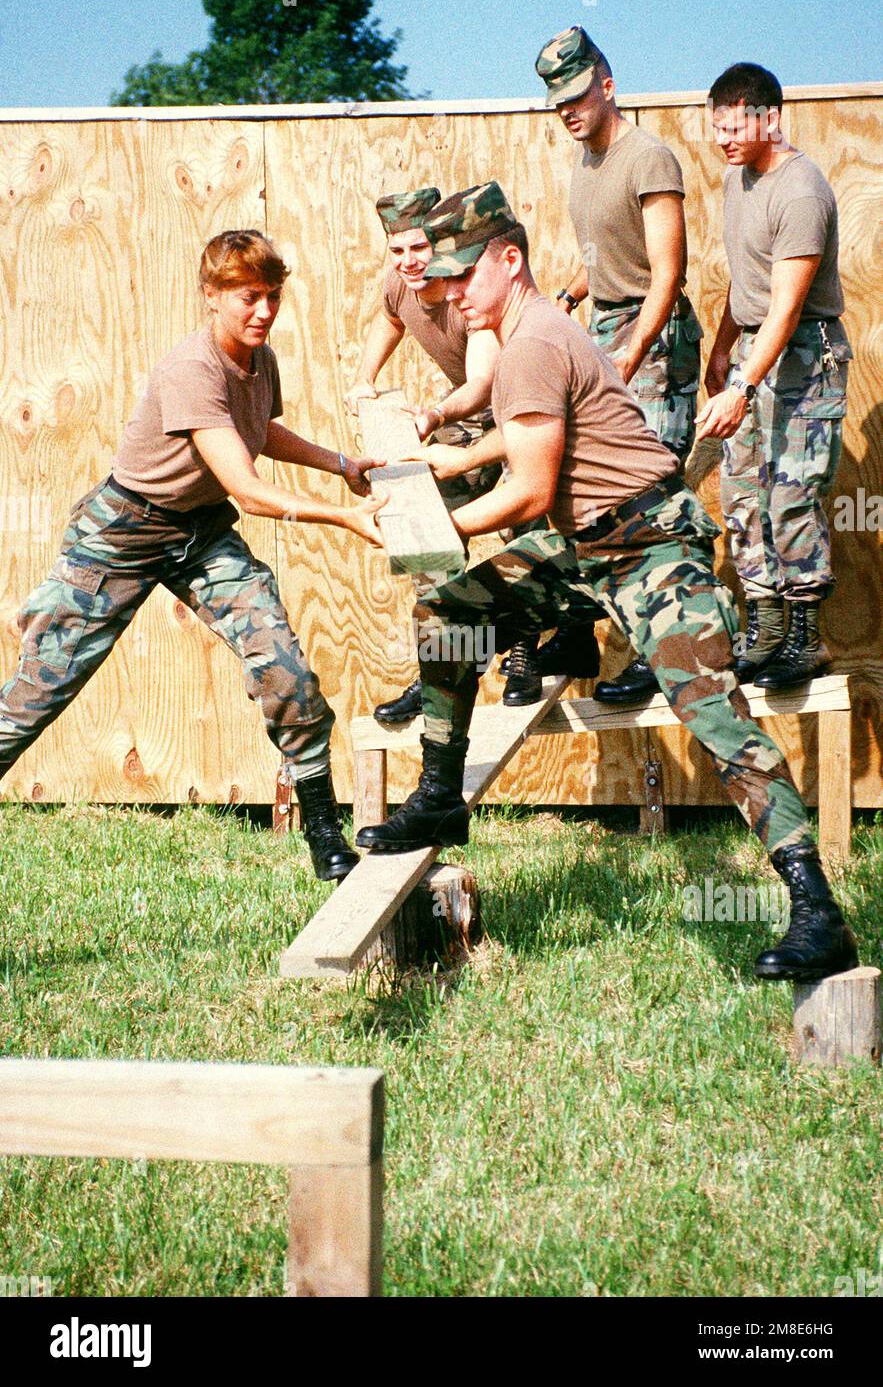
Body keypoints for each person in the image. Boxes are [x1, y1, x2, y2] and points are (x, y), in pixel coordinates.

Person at [356, 182, 857, 985]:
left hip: (651, 550)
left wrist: (426, 528)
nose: (448, 293)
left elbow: (525, 490)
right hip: (584, 548)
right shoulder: (534, 330)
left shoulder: (530, 341)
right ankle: (441, 795)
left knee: (714, 718)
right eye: (440, 278)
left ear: (508, 260)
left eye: (461, 275)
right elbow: (536, 444)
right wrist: (450, 465)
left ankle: (816, 912)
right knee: (448, 607)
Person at [0, 229, 385, 882]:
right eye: (246, 298)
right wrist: (344, 517)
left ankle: (324, 831)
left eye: (271, 296)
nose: (262, 311)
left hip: (199, 532)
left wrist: (340, 464)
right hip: (122, 535)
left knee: (285, 671)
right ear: (211, 297)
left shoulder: (259, 359)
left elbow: (257, 428)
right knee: (35, 696)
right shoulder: (190, 370)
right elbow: (248, 489)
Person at [344, 188, 586, 717]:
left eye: (419, 249)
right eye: (397, 251)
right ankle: (445, 670)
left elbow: (481, 382)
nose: (409, 262)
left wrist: (433, 416)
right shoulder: (399, 286)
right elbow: (390, 318)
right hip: (465, 423)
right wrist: (365, 378)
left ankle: (521, 654)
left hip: (514, 412)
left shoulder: (467, 289)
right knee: (429, 536)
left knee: (523, 526)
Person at [534, 25, 704, 706]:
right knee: (583, 486)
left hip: (651, 338)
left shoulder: (647, 158)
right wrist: (571, 293)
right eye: (558, 104)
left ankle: (654, 654)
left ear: (607, 85)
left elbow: (667, 272)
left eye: (577, 96)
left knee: (648, 496)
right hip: (602, 332)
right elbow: (604, 252)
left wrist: (634, 348)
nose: (569, 112)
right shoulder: (585, 162)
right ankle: (579, 628)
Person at [697, 63, 851, 688]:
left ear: (770, 119)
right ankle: (764, 627)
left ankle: (805, 635)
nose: (723, 140)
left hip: (805, 360)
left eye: (734, 128)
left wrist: (741, 385)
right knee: (740, 494)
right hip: (752, 353)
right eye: (717, 129)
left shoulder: (802, 190)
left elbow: (786, 307)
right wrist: (723, 346)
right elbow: (750, 276)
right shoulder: (739, 179)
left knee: (790, 496)